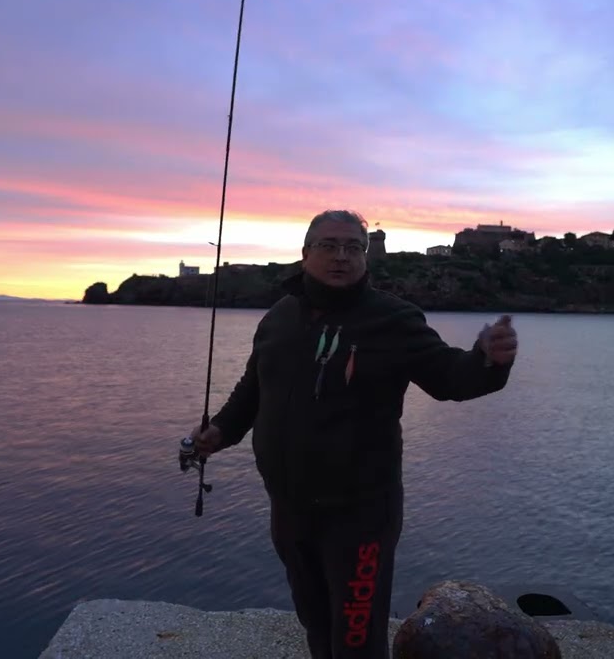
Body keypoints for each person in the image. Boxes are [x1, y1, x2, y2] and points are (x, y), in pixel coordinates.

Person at [188, 209, 518, 659]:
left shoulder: (394, 320)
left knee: (357, 636)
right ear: (305, 254)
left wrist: (488, 359)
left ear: (365, 257)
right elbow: (254, 389)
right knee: (315, 620)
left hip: (360, 514)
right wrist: (219, 432)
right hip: (289, 507)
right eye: (328, 245)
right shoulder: (279, 318)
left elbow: (450, 378)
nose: (340, 256)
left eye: (353, 247)